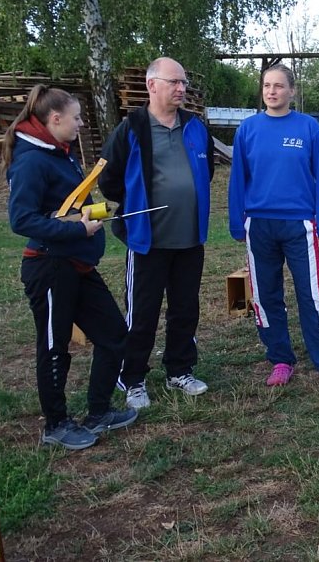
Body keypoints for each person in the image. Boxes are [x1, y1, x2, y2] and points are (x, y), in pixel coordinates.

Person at [4, 85, 138, 450]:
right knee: (54, 346)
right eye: (76, 117)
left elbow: (64, 205)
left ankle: (99, 412)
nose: (81, 123)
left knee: (113, 335)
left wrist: (89, 215)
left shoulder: (60, 153)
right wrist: (76, 228)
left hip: (77, 264)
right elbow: (22, 219)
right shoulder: (32, 159)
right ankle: (56, 424)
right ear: (55, 119)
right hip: (49, 268)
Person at [228, 64, 319, 388]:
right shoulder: (247, 130)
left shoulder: (308, 128)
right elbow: (237, 180)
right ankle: (280, 359)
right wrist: (236, 222)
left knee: (312, 294)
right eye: (267, 86)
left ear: (292, 91)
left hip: (300, 224)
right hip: (259, 225)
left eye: (279, 86)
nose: (272, 91)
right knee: (266, 296)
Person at [99, 57, 214, 409]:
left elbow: (205, 171)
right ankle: (132, 378)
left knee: (185, 308)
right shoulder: (132, 127)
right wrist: (136, 204)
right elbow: (109, 180)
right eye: (174, 82)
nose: (181, 89)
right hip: (148, 241)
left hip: (190, 238)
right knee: (143, 312)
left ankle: (180, 369)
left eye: (184, 83)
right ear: (152, 85)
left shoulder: (195, 127)